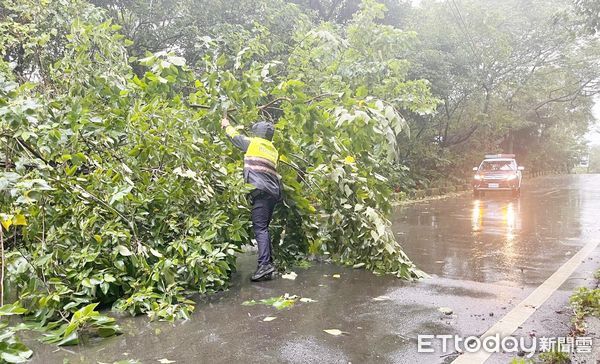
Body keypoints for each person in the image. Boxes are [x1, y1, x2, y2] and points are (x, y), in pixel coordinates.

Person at [221, 117, 282, 281]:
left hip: (260, 193)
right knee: (265, 228)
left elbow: (236, 138)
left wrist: (226, 125)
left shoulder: (254, 144)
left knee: (260, 229)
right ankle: (268, 264)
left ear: (258, 133)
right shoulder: (273, 150)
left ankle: (264, 266)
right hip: (272, 193)